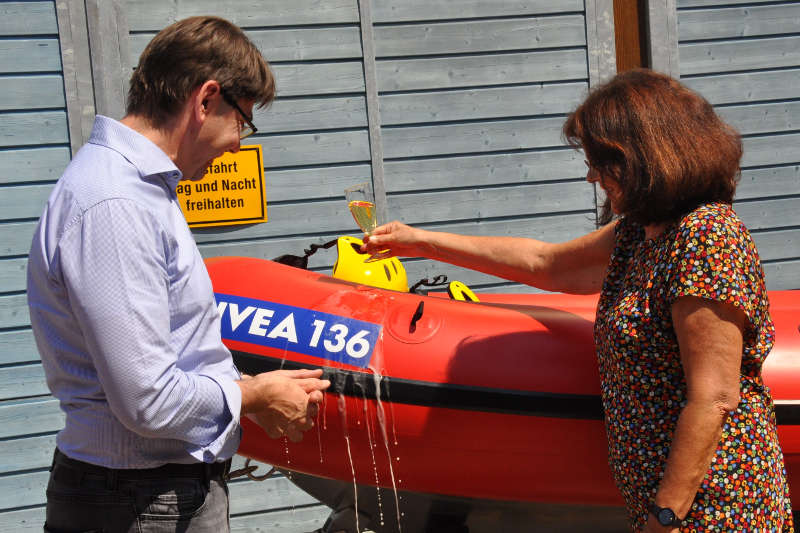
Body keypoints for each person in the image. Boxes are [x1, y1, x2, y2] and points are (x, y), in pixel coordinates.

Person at [361, 69, 793, 532]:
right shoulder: (640, 231)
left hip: (714, 507)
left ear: (644, 158)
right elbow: (546, 263)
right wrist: (420, 242)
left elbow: (715, 398)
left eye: (600, 163)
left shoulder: (706, 237)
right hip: (669, 505)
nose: (591, 176)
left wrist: (665, 515)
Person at [26, 16, 330, 533]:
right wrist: (252, 394)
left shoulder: (136, 191)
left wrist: (248, 389)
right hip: (140, 501)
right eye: (243, 122)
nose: (238, 144)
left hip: (141, 494)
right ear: (206, 99)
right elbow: (147, 399)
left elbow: (170, 355)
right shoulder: (116, 203)